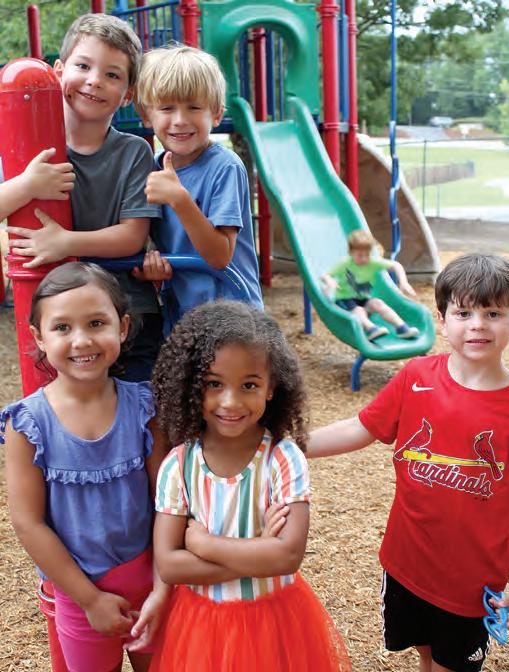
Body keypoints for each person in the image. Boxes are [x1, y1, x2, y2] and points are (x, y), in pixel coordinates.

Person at [307, 254, 509, 672]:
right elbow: (362, 427)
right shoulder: (416, 376)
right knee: (425, 652)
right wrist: (294, 445)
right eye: (464, 313)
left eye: (493, 313)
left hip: (471, 581)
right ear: (442, 319)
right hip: (406, 564)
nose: (477, 324)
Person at [148, 300, 351, 671]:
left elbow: (287, 557)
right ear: (192, 385)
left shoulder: (283, 459)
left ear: (271, 387)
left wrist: (205, 545)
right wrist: (258, 551)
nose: (231, 401)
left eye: (249, 385)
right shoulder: (179, 465)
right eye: (214, 384)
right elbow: (170, 565)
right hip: (201, 627)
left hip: (275, 623)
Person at [0, 262, 170, 672]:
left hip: (153, 583)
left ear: (122, 327)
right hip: (79, 595)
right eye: (62, 327)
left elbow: (168, 502)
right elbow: (28, 523)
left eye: (96, 323)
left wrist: (164, 586)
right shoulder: (27, 425)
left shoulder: (146, 408)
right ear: (39, 338)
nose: (81, 340)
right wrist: (89, 599)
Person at [1, 13, 162, 381]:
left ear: (128, 94)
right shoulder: (30, 149)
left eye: (112, 75)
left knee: (138, 404)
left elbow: (132, 236)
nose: (94, 80)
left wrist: (65, 242)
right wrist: (27, 185)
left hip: (127, 312)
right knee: (66, 407)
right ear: (59, 72)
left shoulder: (134, 152)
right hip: (60, 314)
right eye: (83, 66)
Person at [134, 45, 263, 330]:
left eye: (194, 107)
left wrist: (180, 199)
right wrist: (152, 268)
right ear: (146, 115)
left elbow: (219, 256)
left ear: (216, 114)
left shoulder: (225, 167)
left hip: (231, 315)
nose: (180, 120)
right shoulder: (152, 169)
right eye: (167, 108)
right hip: (182, 315)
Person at [321, 229, 419, 340]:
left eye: (367, 255)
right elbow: (325, 275)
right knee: (359, 310)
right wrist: (330, 281)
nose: (364, 258)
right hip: (344, 301)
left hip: (363, 299)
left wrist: (403, 282)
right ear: (351, 252)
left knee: (378, 303)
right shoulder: (345, 264)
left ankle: (402, 328)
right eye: (360, 255)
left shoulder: (372, 262)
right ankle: (371, 329)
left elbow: (396, 265)